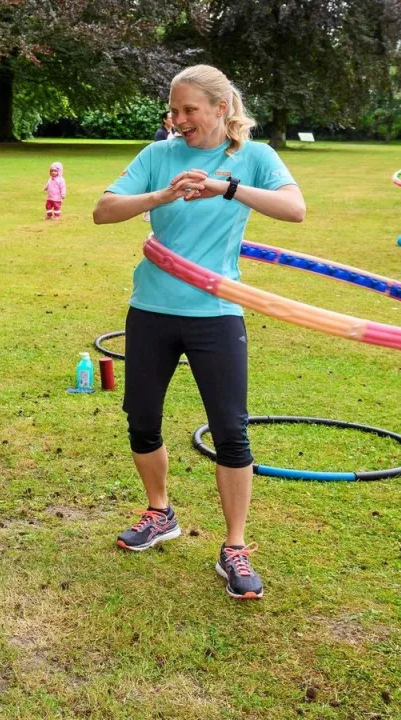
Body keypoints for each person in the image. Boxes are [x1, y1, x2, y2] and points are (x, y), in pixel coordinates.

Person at [91, 64, 306, 600]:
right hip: (152, 307)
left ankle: (234, 546)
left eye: (189, 109)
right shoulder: (158, 155)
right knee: (141, 418)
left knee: (231, 429)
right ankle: (159, 512)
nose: (179, 119)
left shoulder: (253, 157)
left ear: (219, 107)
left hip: (217, 311)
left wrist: (225, 187)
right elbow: (102, 210)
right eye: (174, 109)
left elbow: (295, 209)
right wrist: (159, 197)